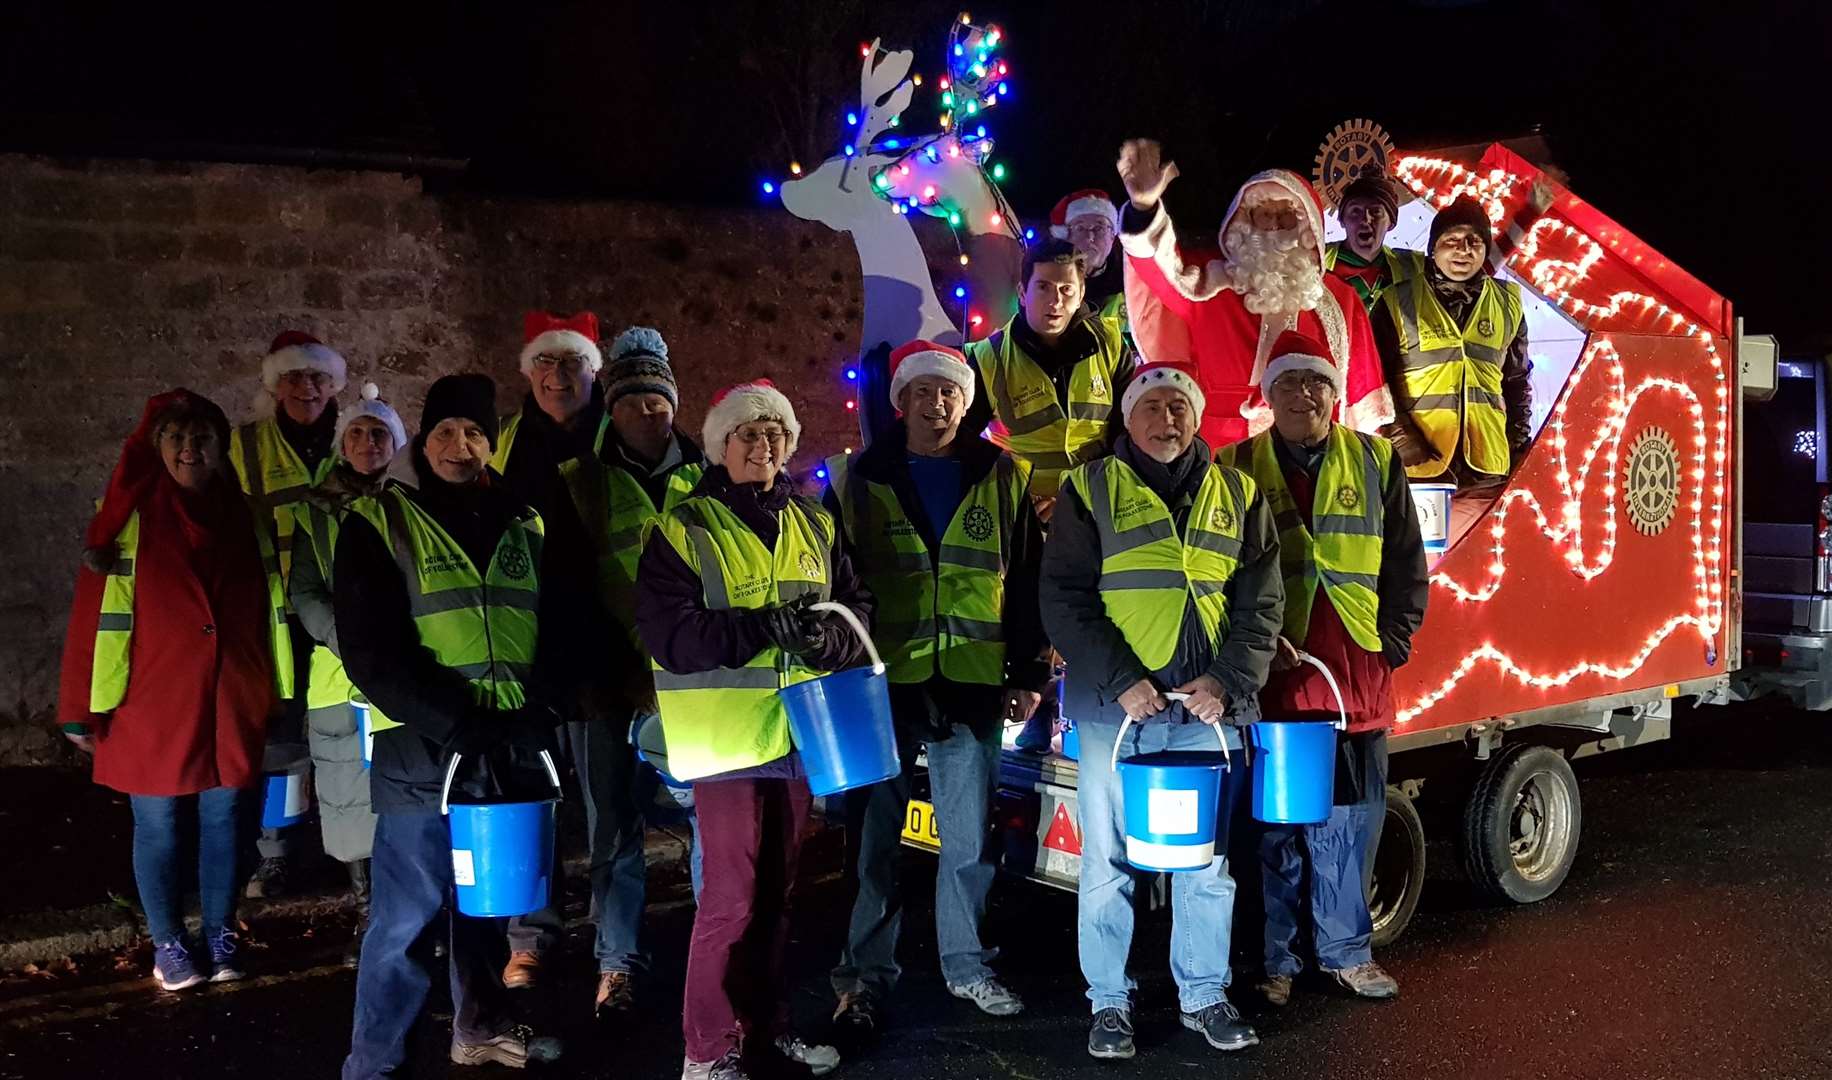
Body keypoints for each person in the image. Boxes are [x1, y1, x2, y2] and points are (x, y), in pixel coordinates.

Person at [336, 373, 600, 1076]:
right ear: (423, 443)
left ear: (492, 445)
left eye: (477, 433)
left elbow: (562, 625)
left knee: (484, 903)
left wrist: (540, 706)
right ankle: (374, 1061)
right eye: (447, 432)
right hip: (424, 749)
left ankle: (478, 1027)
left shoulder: (526, 521)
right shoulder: (379, 522)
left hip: (507, 746)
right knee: (407, 917)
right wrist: (452, 718)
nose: (462, 446)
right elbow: (370, 649)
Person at [1039, 362, 1283, 1060]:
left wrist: (1226, 683)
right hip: (1116, 713)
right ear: (1129, 417)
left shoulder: (1237, 491)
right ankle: (1109, 1003)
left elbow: (1260, 603)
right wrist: (1121, 681)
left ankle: (1204, 994)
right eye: (1151, 405)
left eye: (1179, 405)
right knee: (1107, 864)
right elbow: (1063, 599)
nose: (1165, 418)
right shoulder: (1088, 489)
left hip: (1203, 712)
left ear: (1196, 416)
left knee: (1204, 863)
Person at [636, 380, 872, 1080]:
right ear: (720, 445)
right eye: (748, 435)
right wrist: (755, 630)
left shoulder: (814, 522)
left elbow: (856, 603)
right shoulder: (684, 526)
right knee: (730, 898)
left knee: (777, 893)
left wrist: (831, 641)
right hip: (726, 741)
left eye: (775, 435)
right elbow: (668, 634)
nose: (762, 446)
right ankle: (706, 1049)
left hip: (798, 737)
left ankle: (765, 1029)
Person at [825, 341, 1050, 1040]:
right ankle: (861, 978)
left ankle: (967, 965)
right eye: (922, 392)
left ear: (965, 400)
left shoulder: (1001, 473)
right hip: (885, 687)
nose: (937, 404)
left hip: (973, 684)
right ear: (901, 402)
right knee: (874, 843)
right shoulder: (860, 476)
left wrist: (1029, 674)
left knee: (967, 842)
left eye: (948, 392)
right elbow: (836, 582)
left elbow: (1028, 583)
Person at [1215, 331, 1428, 1007]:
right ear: (1267, 395)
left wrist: (1393, 637)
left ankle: (1345, 954)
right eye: (1288, 385)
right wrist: (1245, 640)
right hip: (1275, 681)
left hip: (1356, 676)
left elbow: (1404, 558)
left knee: (1350, 824)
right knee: (1274, 829)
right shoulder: (1234, 466)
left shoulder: (1373, 459)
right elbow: (1214, 571)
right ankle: (1274, 962)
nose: (1302, 396)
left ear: (1335, 395)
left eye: (1315, 384)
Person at [57, 389, 291, 991]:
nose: (191, 449)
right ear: (157, 447)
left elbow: (271, 610)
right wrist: (81, 710)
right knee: (157, 823)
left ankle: (218, 930)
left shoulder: (245, 513)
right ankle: (168, 942)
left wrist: (276, 696)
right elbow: (93, 616)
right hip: (148, 702)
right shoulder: (127, 521)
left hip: (230, 697)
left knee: (226, 820)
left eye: (203, 438)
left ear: (221, 446)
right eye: (177, 438)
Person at [549, 325, 707, 1016]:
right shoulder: (577, 482)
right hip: (607, 684)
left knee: (709, 820)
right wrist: (592, 674)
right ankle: (618, 963)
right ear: (611, 409)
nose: (652, 411)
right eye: (637, 400)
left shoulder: (709, 473)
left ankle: (716, 952)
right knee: (612, 830)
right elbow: (566, 589)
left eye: (660, 399)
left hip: (692, 682)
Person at [1116, 139, 1393, 449]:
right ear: (1244, 222)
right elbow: (1161, 271)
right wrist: (1143, 208)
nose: (1274, 225)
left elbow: (1361, 386)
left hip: (1314, 448)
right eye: (1264, 213)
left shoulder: (1340, 299)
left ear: (1307, 224)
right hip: (1220, 448)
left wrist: (1367, 456)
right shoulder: (1210, 285)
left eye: (1286, 214)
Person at [494, 309, 609, 990]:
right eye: (546, 363)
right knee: (536, 798)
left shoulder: (616, 438)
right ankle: (530, 936)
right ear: (528, 372)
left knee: (604, 803)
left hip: (599, 651)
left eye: (571, 364)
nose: (557, 377)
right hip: (529, 653)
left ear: (592, 373)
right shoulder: (506, 444)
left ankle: (606, 930)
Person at [288, 382, 410, 965]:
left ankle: (410, 909)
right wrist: (350, 640)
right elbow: (306, 592)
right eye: (357, 432)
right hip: (340, 676)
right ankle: (367, 911)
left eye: (379, 433)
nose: (366, 443)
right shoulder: (314, 511)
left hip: (407, 672)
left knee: (408, 798)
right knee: (347, 799)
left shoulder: (412, 500)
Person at [232, 330, 348, 899]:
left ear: (335, 385)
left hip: (337, 608)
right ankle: (277, 852)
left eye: (318, 378)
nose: (308, 388)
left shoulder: (356, 437)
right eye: (295, 378)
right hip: (269, 611)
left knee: (344, 730)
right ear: (275, 387)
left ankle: (351, 849)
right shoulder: (245, 447)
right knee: (281, 737)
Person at [1373, 195, 1533, 545]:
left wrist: (1517, 444)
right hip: (1420, 466)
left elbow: (1517, 381)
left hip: (1487, 469)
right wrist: (1401, 440)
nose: (1463, 250)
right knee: (1423, 570)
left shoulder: (1508, 303)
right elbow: (1374, 381)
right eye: (1451, 240)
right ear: (1433, 248)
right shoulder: (1395, 301)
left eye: (1474, 241)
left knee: (1474, 569)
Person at [962, 238, 1133, 509]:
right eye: (1043, 287)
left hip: (1098, 500)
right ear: (1021, 292)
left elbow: (1128, 431)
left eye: (1066, 289)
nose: (1055, 301)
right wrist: (1012, 495)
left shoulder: (1110, 343)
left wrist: (1087, 498)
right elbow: (966, 446)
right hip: (1024, 507)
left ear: (1081, 294)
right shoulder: (987, 358)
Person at [1323, 175, 1416, 312]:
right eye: (1355, 211)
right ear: (1342, 220)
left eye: (1376, 212)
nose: (1365, 219)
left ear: (1391, 223)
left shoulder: (1412, 266)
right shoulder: (1315, 260)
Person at [1051, 189, 1126, 325]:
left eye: (1099, 227)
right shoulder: (1048, 282)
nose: (1090, 237)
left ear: (1112, 236)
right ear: (1066, 236)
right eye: (1080, 228)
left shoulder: (1129, 284)